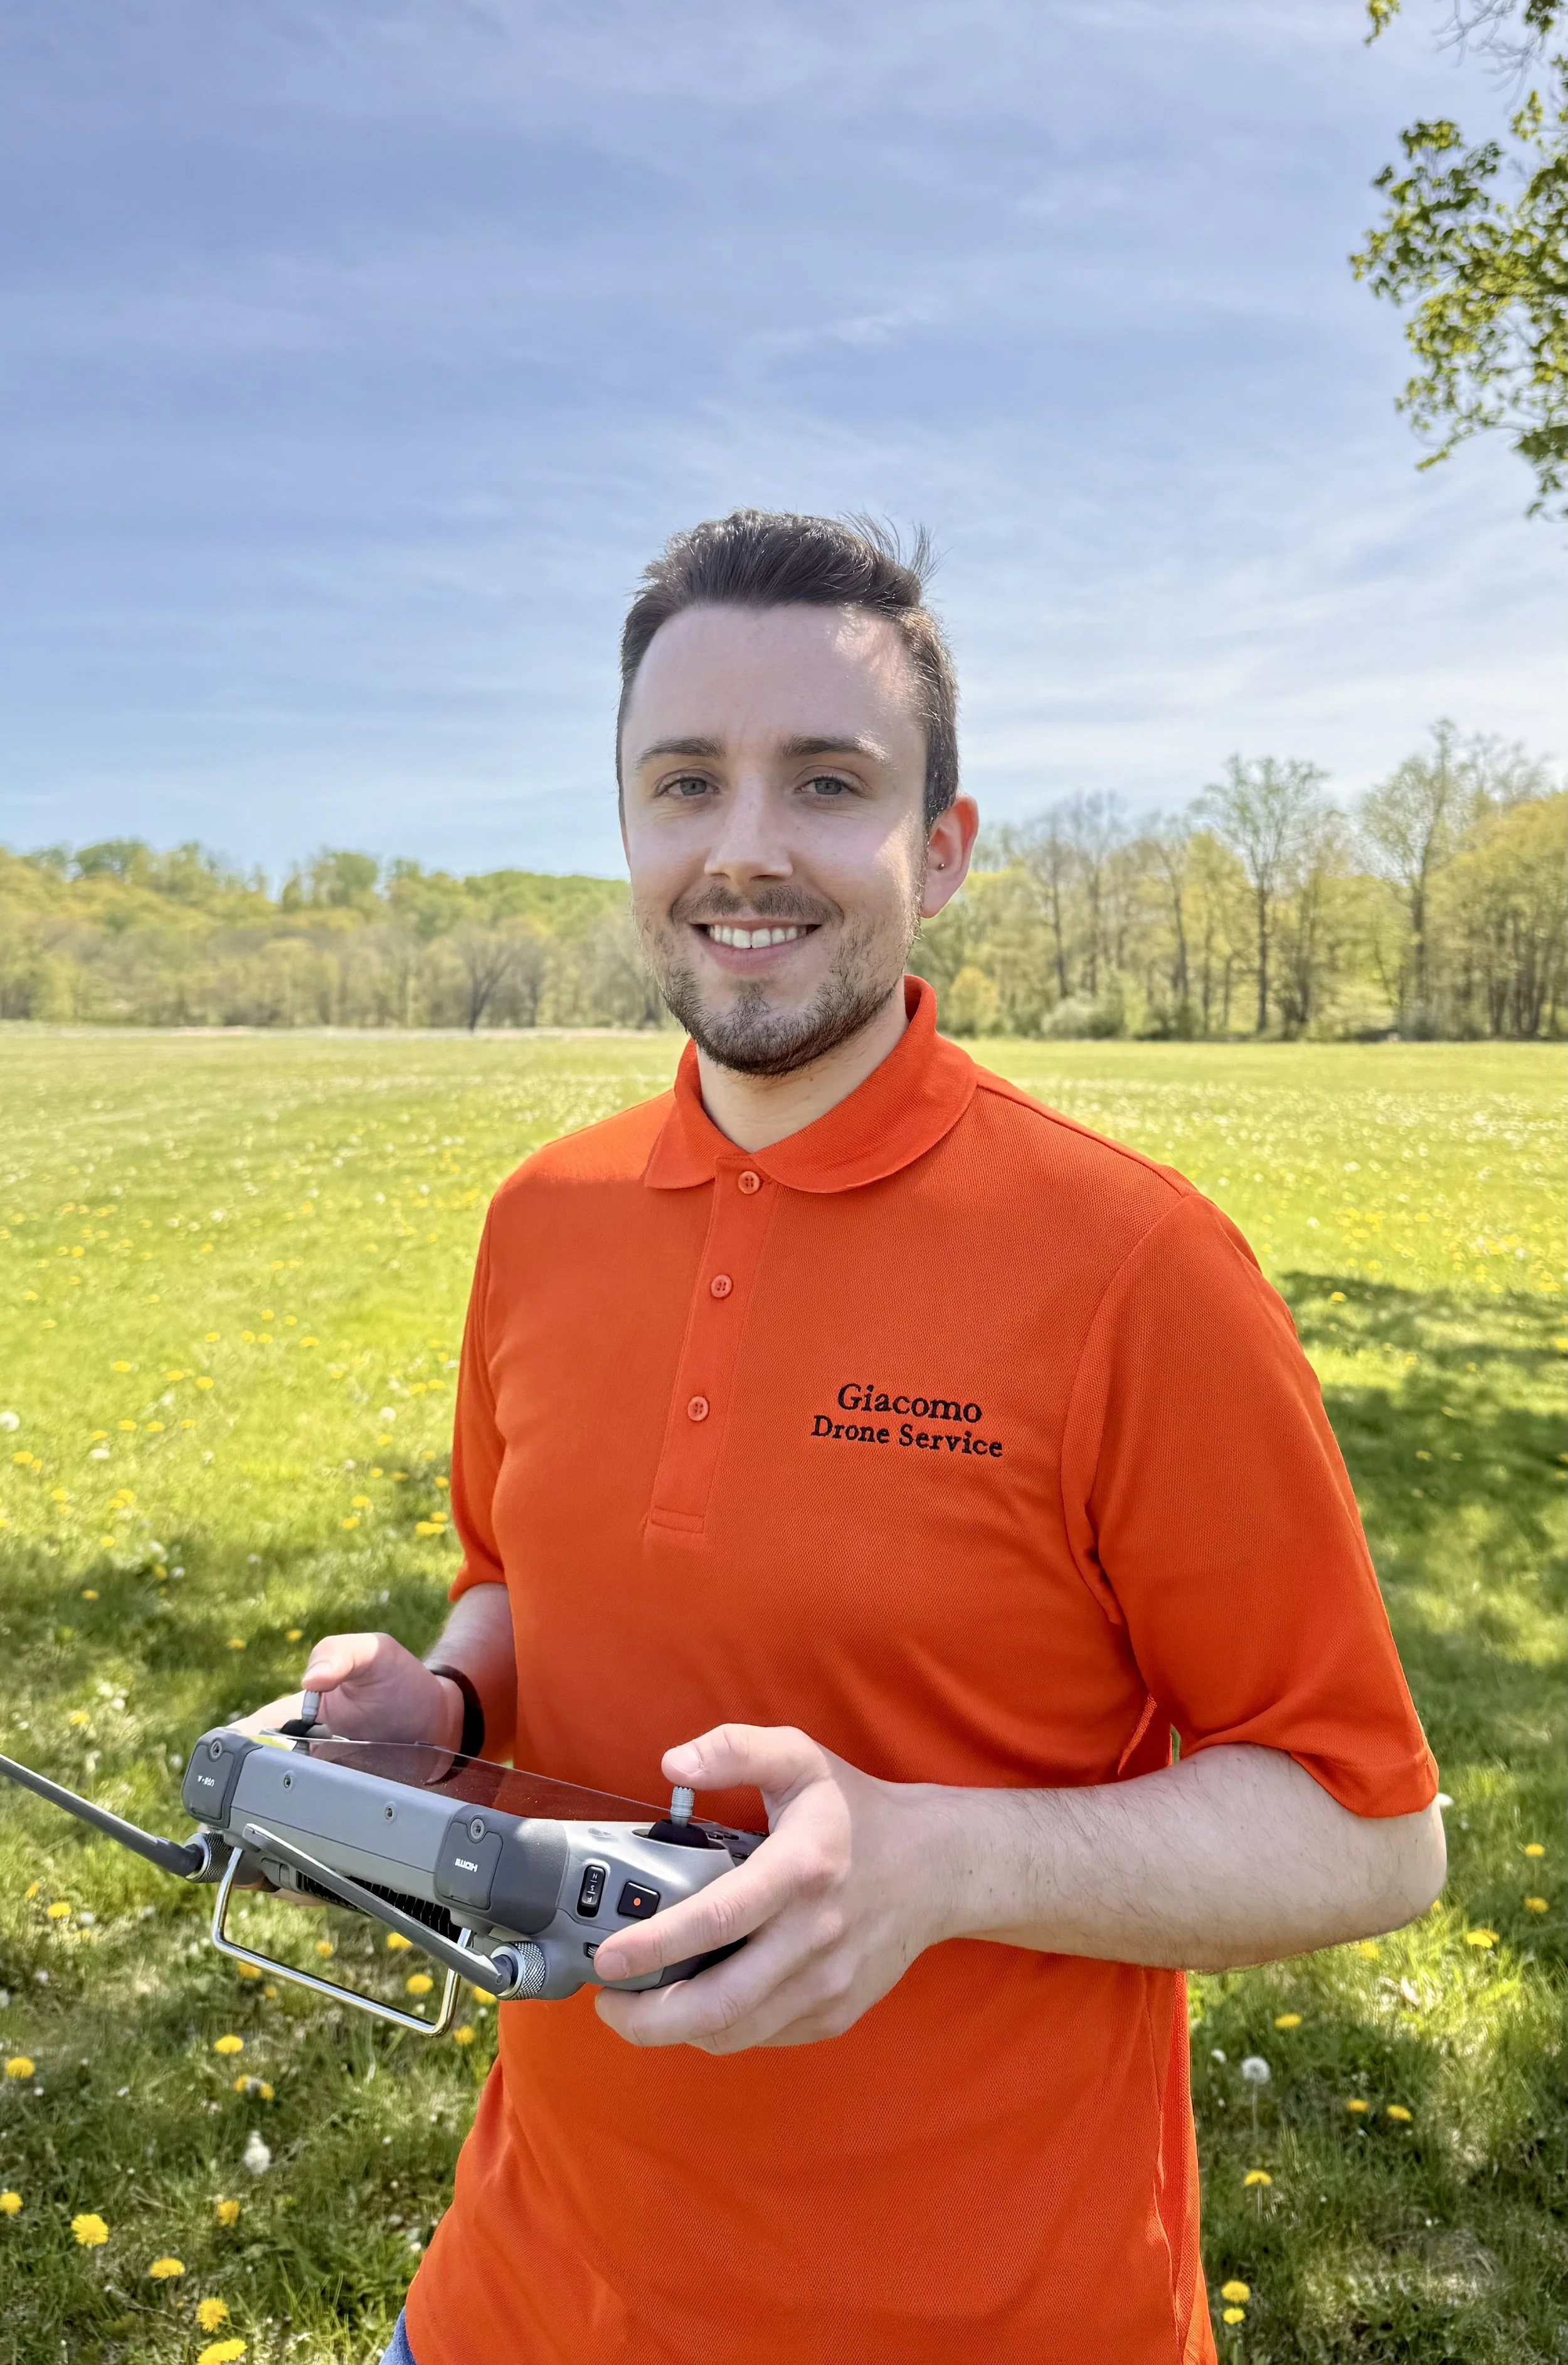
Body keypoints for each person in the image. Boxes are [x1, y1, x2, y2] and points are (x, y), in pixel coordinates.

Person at [248, 511, 1444, 2365]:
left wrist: (941, 1859)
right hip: (513, 2303)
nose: (744, 846)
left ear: (939, 849)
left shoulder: (1132, 1263)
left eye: (826, 780)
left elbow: (1373, 1840)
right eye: (683, 782)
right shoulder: (537, 1218)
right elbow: (512, 1571)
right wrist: (454, 1709)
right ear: (629, 831)